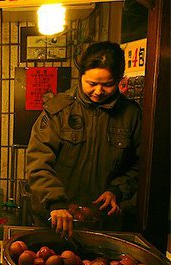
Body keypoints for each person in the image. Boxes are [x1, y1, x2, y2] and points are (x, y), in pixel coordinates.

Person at [26, 41, 141, 237]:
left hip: (102, 222)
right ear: (81, 76)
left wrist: (118, 189)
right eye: (91, 83)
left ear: (119, 79)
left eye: (108, 84)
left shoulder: (131, 114)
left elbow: (140, 164)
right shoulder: (59, 110)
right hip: (55, 219)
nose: (98, 91)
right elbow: (38, 162)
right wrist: (56, 202)